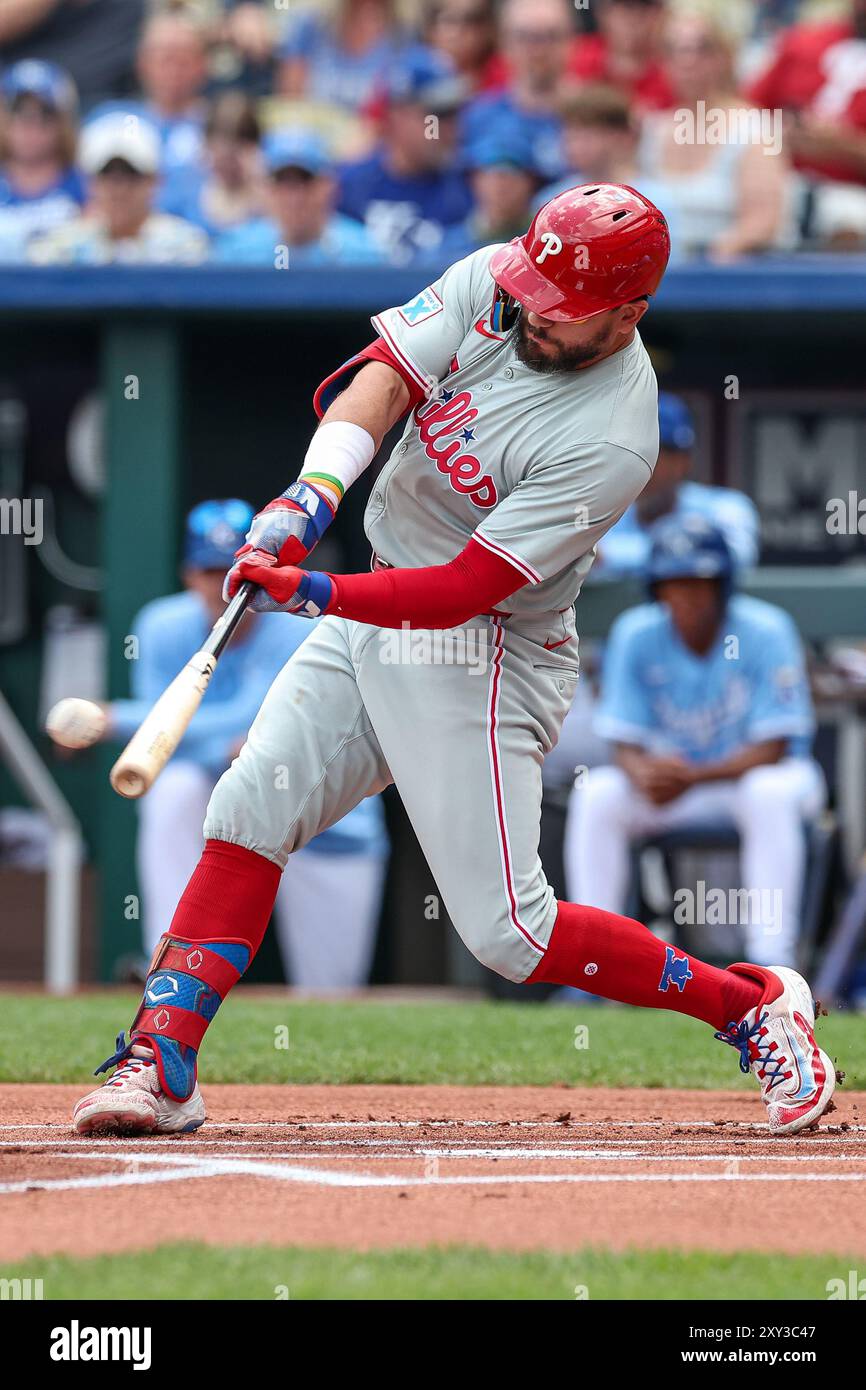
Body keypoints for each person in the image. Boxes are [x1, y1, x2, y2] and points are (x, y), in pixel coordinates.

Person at [73, 183, 839, 1143]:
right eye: (527, 289)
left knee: (509, 936)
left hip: (484, 648)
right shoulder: (506, 277)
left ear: (627, 315)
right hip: (376, 599)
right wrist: (310, 499)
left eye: (559, 312)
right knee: (245, 809)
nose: (527, 314)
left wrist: (312, 594)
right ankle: (159, 1058)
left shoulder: (613, 435)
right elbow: (385, 375)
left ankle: (752, 1006)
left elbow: (464, 589)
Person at [103, 499, 388, 989]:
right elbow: (161, 738)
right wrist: (210, 743)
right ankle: (165, 965)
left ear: (267, 570)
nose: (225, 586)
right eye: (210, 571)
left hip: (322, 815)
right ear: (189, 575)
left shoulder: (302, 624)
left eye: (236, 570)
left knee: (331, 995)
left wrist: (113, 719)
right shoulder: (162, 625)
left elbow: (260, 724)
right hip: (223, 804)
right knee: (174, 786)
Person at [566, 516, 825, 969]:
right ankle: (595, 966)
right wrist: (643, 772)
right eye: (674, 582)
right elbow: (622, 738)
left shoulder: (765, 629)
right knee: (599, 793)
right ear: (657, 588)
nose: (686, 595)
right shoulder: (637, 632)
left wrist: (692, 776)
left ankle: (772, 967)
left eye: (699, 581)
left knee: (767, 792)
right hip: (678, 785)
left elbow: (776, 745)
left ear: (722, 584)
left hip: (752, 782)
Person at [637, 11, 791, 260]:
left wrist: (709, 260)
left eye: (701, 49)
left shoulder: (755, 127)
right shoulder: (654, 129)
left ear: (723, 57)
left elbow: (763, 223)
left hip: (730, 277)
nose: (687, 61)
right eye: (674, 50)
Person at [596, 392, 760, 577]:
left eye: (652, 455)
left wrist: (607, 555)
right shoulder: (603, 514)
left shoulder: (725, 508)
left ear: (683, 462)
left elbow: (735, 557)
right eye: (629, 453)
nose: (639, 467)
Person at [337, 49, 471, 265]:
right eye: (437, 115)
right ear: (397, 116)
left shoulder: (470, 186)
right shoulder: (346, 186)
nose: (449, 128)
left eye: (454, 114)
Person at [28, 110, 208, 264]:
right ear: (89, 182)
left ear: (155, 181)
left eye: (132, 174)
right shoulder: (60, 250)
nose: (120, 190)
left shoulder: (185, 249)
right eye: (107, 175)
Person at [214, 129, 383, 265]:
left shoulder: (363, 254)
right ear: (265, 189)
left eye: (305, 181)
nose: (294, 197)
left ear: (328, 186)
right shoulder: (237, 252)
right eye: (282, 182)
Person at [747, 0, 866, 186]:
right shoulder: (804, 41)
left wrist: (846, 146)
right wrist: (778, 131)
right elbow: (745, 108)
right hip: (781, 179)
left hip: (852, 195)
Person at [460, 0, 572, 183]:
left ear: (570, 40)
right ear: (503, 42)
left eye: (551, 36)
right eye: (525, 37)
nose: (538, 50)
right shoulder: (476, 119)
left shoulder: (596, 119)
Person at [0, 60, 84, 262]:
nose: (31, 125)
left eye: (44, 113)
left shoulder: (86, 185)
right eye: (19, 111)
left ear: (63, 121)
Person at [159, 91, 265, 238]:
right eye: (222, 157)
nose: (229, 166)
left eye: (235, 155)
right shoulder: (182, 193)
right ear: (206, 145)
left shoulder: (272, 200)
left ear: (255, 150)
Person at [277, 0, 411, 111]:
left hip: (376, 140)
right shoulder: (311, 25)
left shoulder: (404, 38)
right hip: (312, 134)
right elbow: (289, 103)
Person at [569, 0, 675, 112]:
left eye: (644, 10)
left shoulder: (672, 72)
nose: (634, 19)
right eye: (625, 8)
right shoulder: (580, 53)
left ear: (661, 15)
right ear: (604, 14)